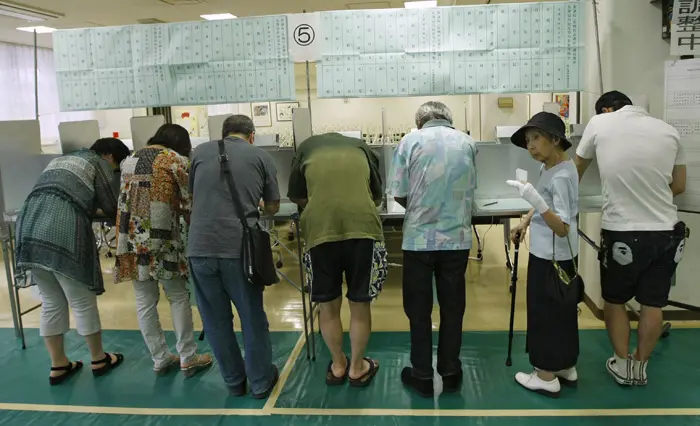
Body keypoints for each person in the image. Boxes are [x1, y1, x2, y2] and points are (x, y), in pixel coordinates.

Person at [574, 91, 687, 387]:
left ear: (607, 109)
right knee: (652, 303)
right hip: (667, 231)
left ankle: (621, 363)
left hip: (623, 231)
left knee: (614, 300)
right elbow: (679, 185)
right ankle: (640, 366)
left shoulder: (600, 122)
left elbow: (573, 171)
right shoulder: (669, 131)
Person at [14, 138, 130, 385]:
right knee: (81, 300)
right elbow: (111, 206)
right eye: (116, 167)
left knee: (51, 301)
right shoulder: (97, 163)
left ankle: (59, 364)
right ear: (108, 156)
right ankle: (99, 359)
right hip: (61, 229)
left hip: (28, 227)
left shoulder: (60, 159)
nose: (114, 172)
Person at [386, 101, 477, 397]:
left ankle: (422, 374)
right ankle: (450, 371)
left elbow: (399, 192)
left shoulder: (409, 141)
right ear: (449, 119)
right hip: (456, 240)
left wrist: (422, 208)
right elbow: (472, 187)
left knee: (418, 309)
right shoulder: (467, 142)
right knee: (453, 308)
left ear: (420, 120)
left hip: (419, 240)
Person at [188, 115, 280, 398]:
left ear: (223, 133)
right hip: (240, 249)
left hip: (199, 247)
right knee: (252, 317)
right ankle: (261, 382)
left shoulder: (199, 153)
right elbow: (274, 207)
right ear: (251, 135)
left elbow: (194, 194)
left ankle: (233, 382)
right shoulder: (260, 156)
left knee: (215, 321)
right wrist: (257, 204)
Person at [288, 132, 387, 387]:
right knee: (360, 305)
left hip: (320, 230)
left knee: (328, 307)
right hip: (363, 229)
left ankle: (338, 365)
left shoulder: (306, 148)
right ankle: (358, 367)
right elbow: (377, 196)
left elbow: (297, 196)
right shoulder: (363, 148)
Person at [114, 124, 212, 378]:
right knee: (178, 297)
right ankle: (188, 357)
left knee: (144, 302)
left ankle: (160, 358)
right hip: (163, 239)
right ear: (180, 144)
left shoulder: (129, 160)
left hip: (131, 239)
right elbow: (191, 200)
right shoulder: (174, 160)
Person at [506, 112, 582, 398]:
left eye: (536, 138)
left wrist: (534, 200)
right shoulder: (552, 166)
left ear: (555, 139)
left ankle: (545, 376)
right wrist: (526, 221)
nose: (531, 146)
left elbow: (562, 226)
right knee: (561, 314)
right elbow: (542, 201)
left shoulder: (561, 175)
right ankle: (564, 366)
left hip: (551, 258)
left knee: (545, 315)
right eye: (528, 140)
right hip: (553, 255)